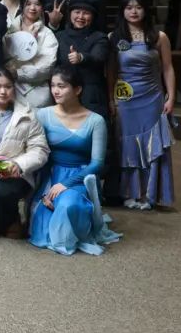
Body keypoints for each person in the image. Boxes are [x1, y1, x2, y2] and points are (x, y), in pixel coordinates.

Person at [28, 68, 121, 256]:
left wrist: (66, 184)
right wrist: (45, 190)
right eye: (53, 86)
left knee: (68, 205)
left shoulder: (96, 121)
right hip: (51, 175)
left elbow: (97, 163)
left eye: (61, 86)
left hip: (81, 176)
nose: (55, 91)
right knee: (42, 227)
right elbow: (38, 152)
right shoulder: (43, 115)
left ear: (77, 89)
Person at [110, 0, 176, 210]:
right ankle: (130, 192)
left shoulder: (159, 37)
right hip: (125, 98)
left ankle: (150, 195)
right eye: (129, 7)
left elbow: (168, 68)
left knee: (152, 144)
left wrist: (171, 97)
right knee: (127, 144)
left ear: (146, 10)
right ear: (122, 11)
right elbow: (111, 71)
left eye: (138, 7)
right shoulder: (114, 37)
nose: (134, 11)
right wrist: (111, 99)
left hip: (152, 97)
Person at [0, 67, 49, 239]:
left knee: (2, 190)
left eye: (8, 86)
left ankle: (11, 217)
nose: (3, 92)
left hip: (14, 176)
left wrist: (18, 164)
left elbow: (40, 149)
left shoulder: (27, 115)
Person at [55, 0, 109, 120]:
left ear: (93, 16)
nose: (80, 16)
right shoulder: (59, 36)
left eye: (86, 13)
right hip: (65, 95)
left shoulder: (100, 37)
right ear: (70, 14)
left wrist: (81, 57)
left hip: (92, 96)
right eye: (77, 12)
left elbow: (98, 57)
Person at [4, 0, 58, 109]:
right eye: (28, 4)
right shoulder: (9, 30)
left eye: (37, 4)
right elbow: (2, 55)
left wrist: (18, 73)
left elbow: (47, 66)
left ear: (42, 7)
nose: (32, 8)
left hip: (36, 94)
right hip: (8, 91)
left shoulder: (47, 34)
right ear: (22, 5)